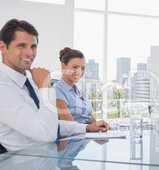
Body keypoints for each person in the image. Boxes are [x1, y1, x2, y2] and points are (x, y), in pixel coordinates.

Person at [0, 19, 107, 152]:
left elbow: (50, 124)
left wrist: (86, 128)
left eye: (33, 46)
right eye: (21, 45)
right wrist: (46, 87)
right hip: (25, 166)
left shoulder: (29, 82)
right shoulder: (3, 87)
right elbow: (46, 134)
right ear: (3, 47)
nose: (30, 53)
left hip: (45, 161)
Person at [54, 47, 109, 129]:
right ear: (63, 66)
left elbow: (91, 121)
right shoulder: (57, 90)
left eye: (82, 68)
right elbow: (69, 126)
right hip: (71, 140)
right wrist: (89, 127)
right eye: (75, 67)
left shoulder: (78, 92)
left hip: (86, 138)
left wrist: (101, 126)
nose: (79, 72)